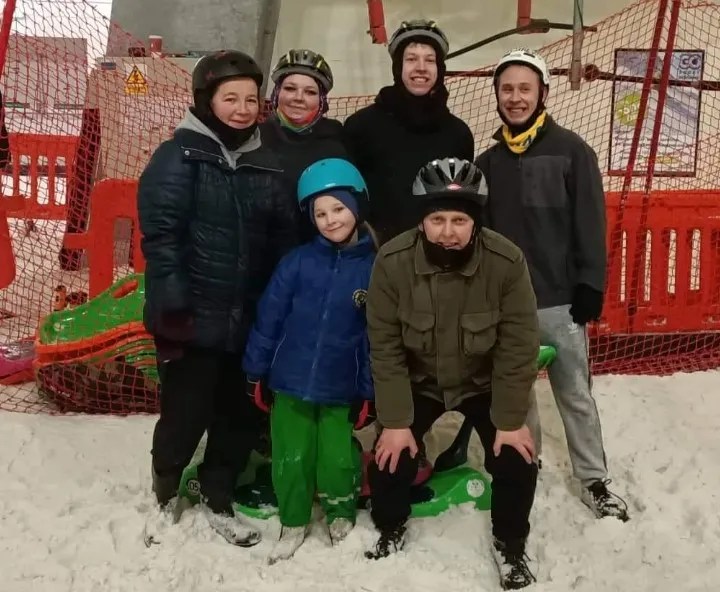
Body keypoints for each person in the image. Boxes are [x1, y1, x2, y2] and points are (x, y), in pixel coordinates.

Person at [138, 49, 299, 546]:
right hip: (193, 318)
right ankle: (165, 490)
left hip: (249, 321)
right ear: (207, 100)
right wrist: (171, 303)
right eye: (231, 98)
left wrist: (280, 306)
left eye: (251, 99)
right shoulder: (178, 156)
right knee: (185, 414)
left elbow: (282, 241)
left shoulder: (268, 164)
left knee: (240, 415)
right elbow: (161, 237)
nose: (242, 109)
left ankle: (218, 493)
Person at [364, 157, 540, 590]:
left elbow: (518, 347)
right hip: (420, 382)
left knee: (518, 460)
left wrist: (510, 421)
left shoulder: (506, 262)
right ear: (421, 221)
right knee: (389, 459)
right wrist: (396, 423)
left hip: (482, 382)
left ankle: (510, 545)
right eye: (437, 219)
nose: (448, 231)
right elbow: (385, 348)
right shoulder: (391, 261)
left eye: (459, 220)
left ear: (475, 221)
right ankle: (390, 527)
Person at [474, 48, 629, 521]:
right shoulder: (488, 162)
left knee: (574, 393)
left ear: (542, 92)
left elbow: (590, 220)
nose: (515, 98)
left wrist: (590, 283)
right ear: (497, 95)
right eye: (506, 89)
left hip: (560, 302)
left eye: (525, 88)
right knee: (516, 393)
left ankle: (593, 478)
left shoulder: (572, 151)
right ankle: (527, 463)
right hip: (508, 305)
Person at [242, 158, 376, 564]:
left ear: (357, 207)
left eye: (338, 208)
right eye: (320, 213)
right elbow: (269, 318)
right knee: (292, 456)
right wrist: (256, 371)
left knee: (337, 458)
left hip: (341, 386)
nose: (331, 220)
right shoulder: (297, 262)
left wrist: (369, 391)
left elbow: (376, 337)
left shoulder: (375, 268)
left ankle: (340, 514)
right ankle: (293, 519)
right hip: (290, 382)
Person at [343, 19, 474, 245]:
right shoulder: (360, 126)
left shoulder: (458, 134)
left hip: (437, 253)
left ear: (439, 68)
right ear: (398, 66)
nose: (421, 67)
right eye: (411, 59)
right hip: (375, 254)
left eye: (430, 60)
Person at [261, 49, 348, 240]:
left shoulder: (338, 141)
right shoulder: (256, 139)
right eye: (290, 88)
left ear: (322, 100)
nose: (298, 97)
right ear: (277, 93)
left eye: (310, 92)